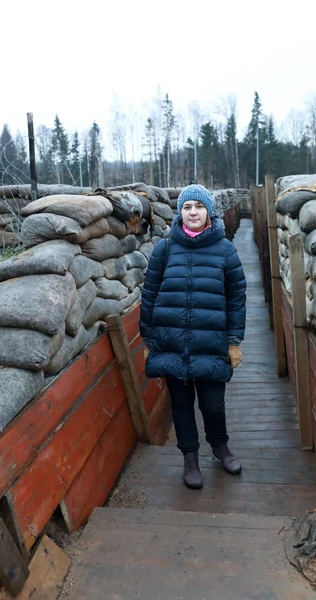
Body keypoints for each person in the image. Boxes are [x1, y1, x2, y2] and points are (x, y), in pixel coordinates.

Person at [139, 184, 246, 489]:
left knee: (213, 404)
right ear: (180, 212)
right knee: (181, 404)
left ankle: (220, 446)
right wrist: (149, 340)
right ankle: (190, 458)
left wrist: (234, 341)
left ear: (209, 212)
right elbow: (150, 294)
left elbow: (237, 297)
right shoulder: (165, 248)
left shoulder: (225, 250)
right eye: (187, 207)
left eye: (199, 207)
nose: (193, 212)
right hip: (172, 342)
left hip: (210, 344)